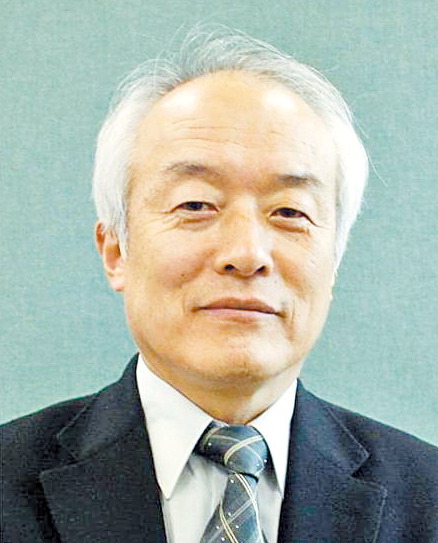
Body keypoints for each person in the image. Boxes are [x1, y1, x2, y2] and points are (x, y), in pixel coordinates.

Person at [1, 27, 437, 543]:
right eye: (195, 205)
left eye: (290, 212)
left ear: (334, 262)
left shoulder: (426, 498)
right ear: (115, 250)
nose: (247, 254)